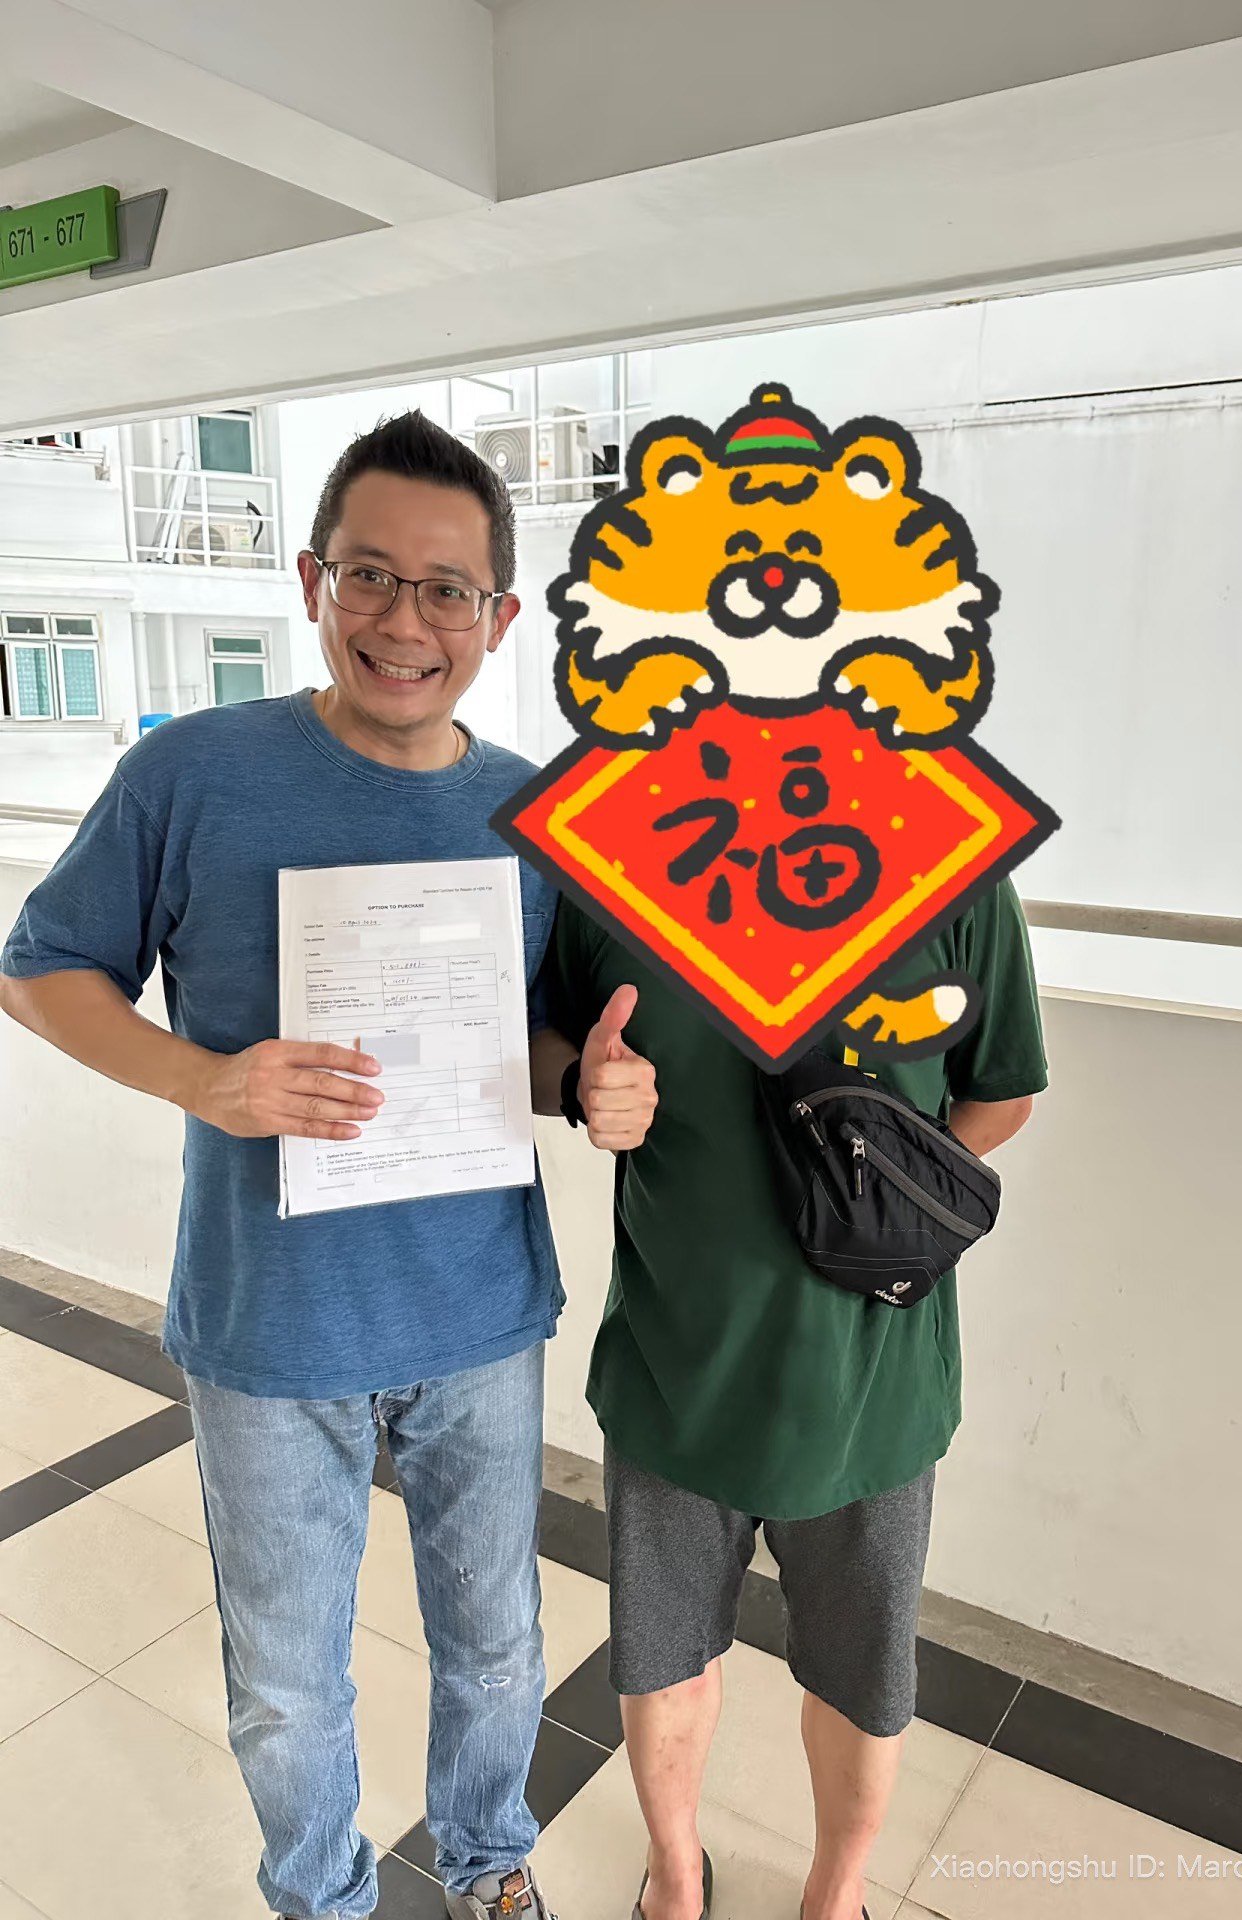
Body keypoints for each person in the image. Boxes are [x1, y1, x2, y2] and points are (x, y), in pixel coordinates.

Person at [0, 411, 657, 1920]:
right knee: (289, 1684)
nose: (404, 622)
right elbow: (38, 971)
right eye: (371, 575)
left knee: (498, 1645)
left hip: (478, 1311)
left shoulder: (531, 812)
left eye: (446, 591)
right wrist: (205, 1079)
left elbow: (536, 1045)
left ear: (497, 617)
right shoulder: (192, 774)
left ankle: (491, 1869)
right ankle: (325, 1900)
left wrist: (591, 1086)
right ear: (313, 582)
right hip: (270, 1324)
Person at [544, 880, 1047, 1920]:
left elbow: (1001, 1090)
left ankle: (837, 1889)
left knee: (864, 1674)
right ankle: (675, 1874)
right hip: (676, 1355)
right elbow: (551, 1033)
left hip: (871, 1375)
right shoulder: (613, 867)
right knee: (662, 1657)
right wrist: (583, 1087)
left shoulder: (958, 876)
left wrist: (883, 1199)